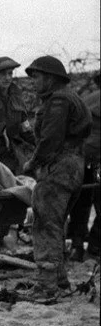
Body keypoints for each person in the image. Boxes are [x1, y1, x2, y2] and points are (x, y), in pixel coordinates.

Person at [22, 56, 91, 295]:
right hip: (74, 166)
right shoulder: (71, 97)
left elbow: (50, 139)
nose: (33, 82)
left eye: (37, 77)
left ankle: (46, 285)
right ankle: (60, 280)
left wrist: (32, 163)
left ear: (50, 78)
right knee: (56, 223)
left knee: (45, 223)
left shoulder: (58, 101)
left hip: (59, 166)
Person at [68, 73, 100, 261]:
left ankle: (77, 246)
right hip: (97, 159)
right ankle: (94, 248)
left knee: (80, 202)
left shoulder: (86, 100)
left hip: (80, 157)